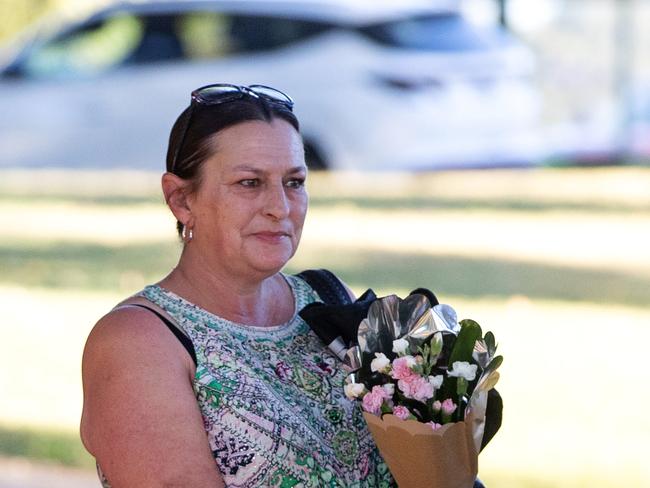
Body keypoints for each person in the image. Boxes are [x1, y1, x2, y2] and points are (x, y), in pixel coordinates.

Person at [80, 83, 395, 487]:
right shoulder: (138, 343)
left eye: (294, 182)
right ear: (181, 200)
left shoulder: (326, 297)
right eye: (250, 183)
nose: (279, 207)